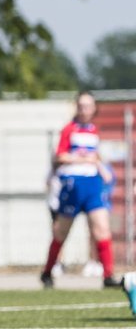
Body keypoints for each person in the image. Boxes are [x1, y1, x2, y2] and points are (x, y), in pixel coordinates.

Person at [40, 91, 122, 289]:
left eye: (88, 106)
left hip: (92, 185)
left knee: (102, 228)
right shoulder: (69, 130)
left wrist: (102, 168)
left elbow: (95, 156)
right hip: (73, 186)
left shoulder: (94, 130)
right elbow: (60, 156)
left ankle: (108, 275)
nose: (85, 109)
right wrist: (83, 158)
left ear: (94, 109)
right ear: (77, 107)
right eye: (81, 106)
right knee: (61, 232)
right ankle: (47, 272)